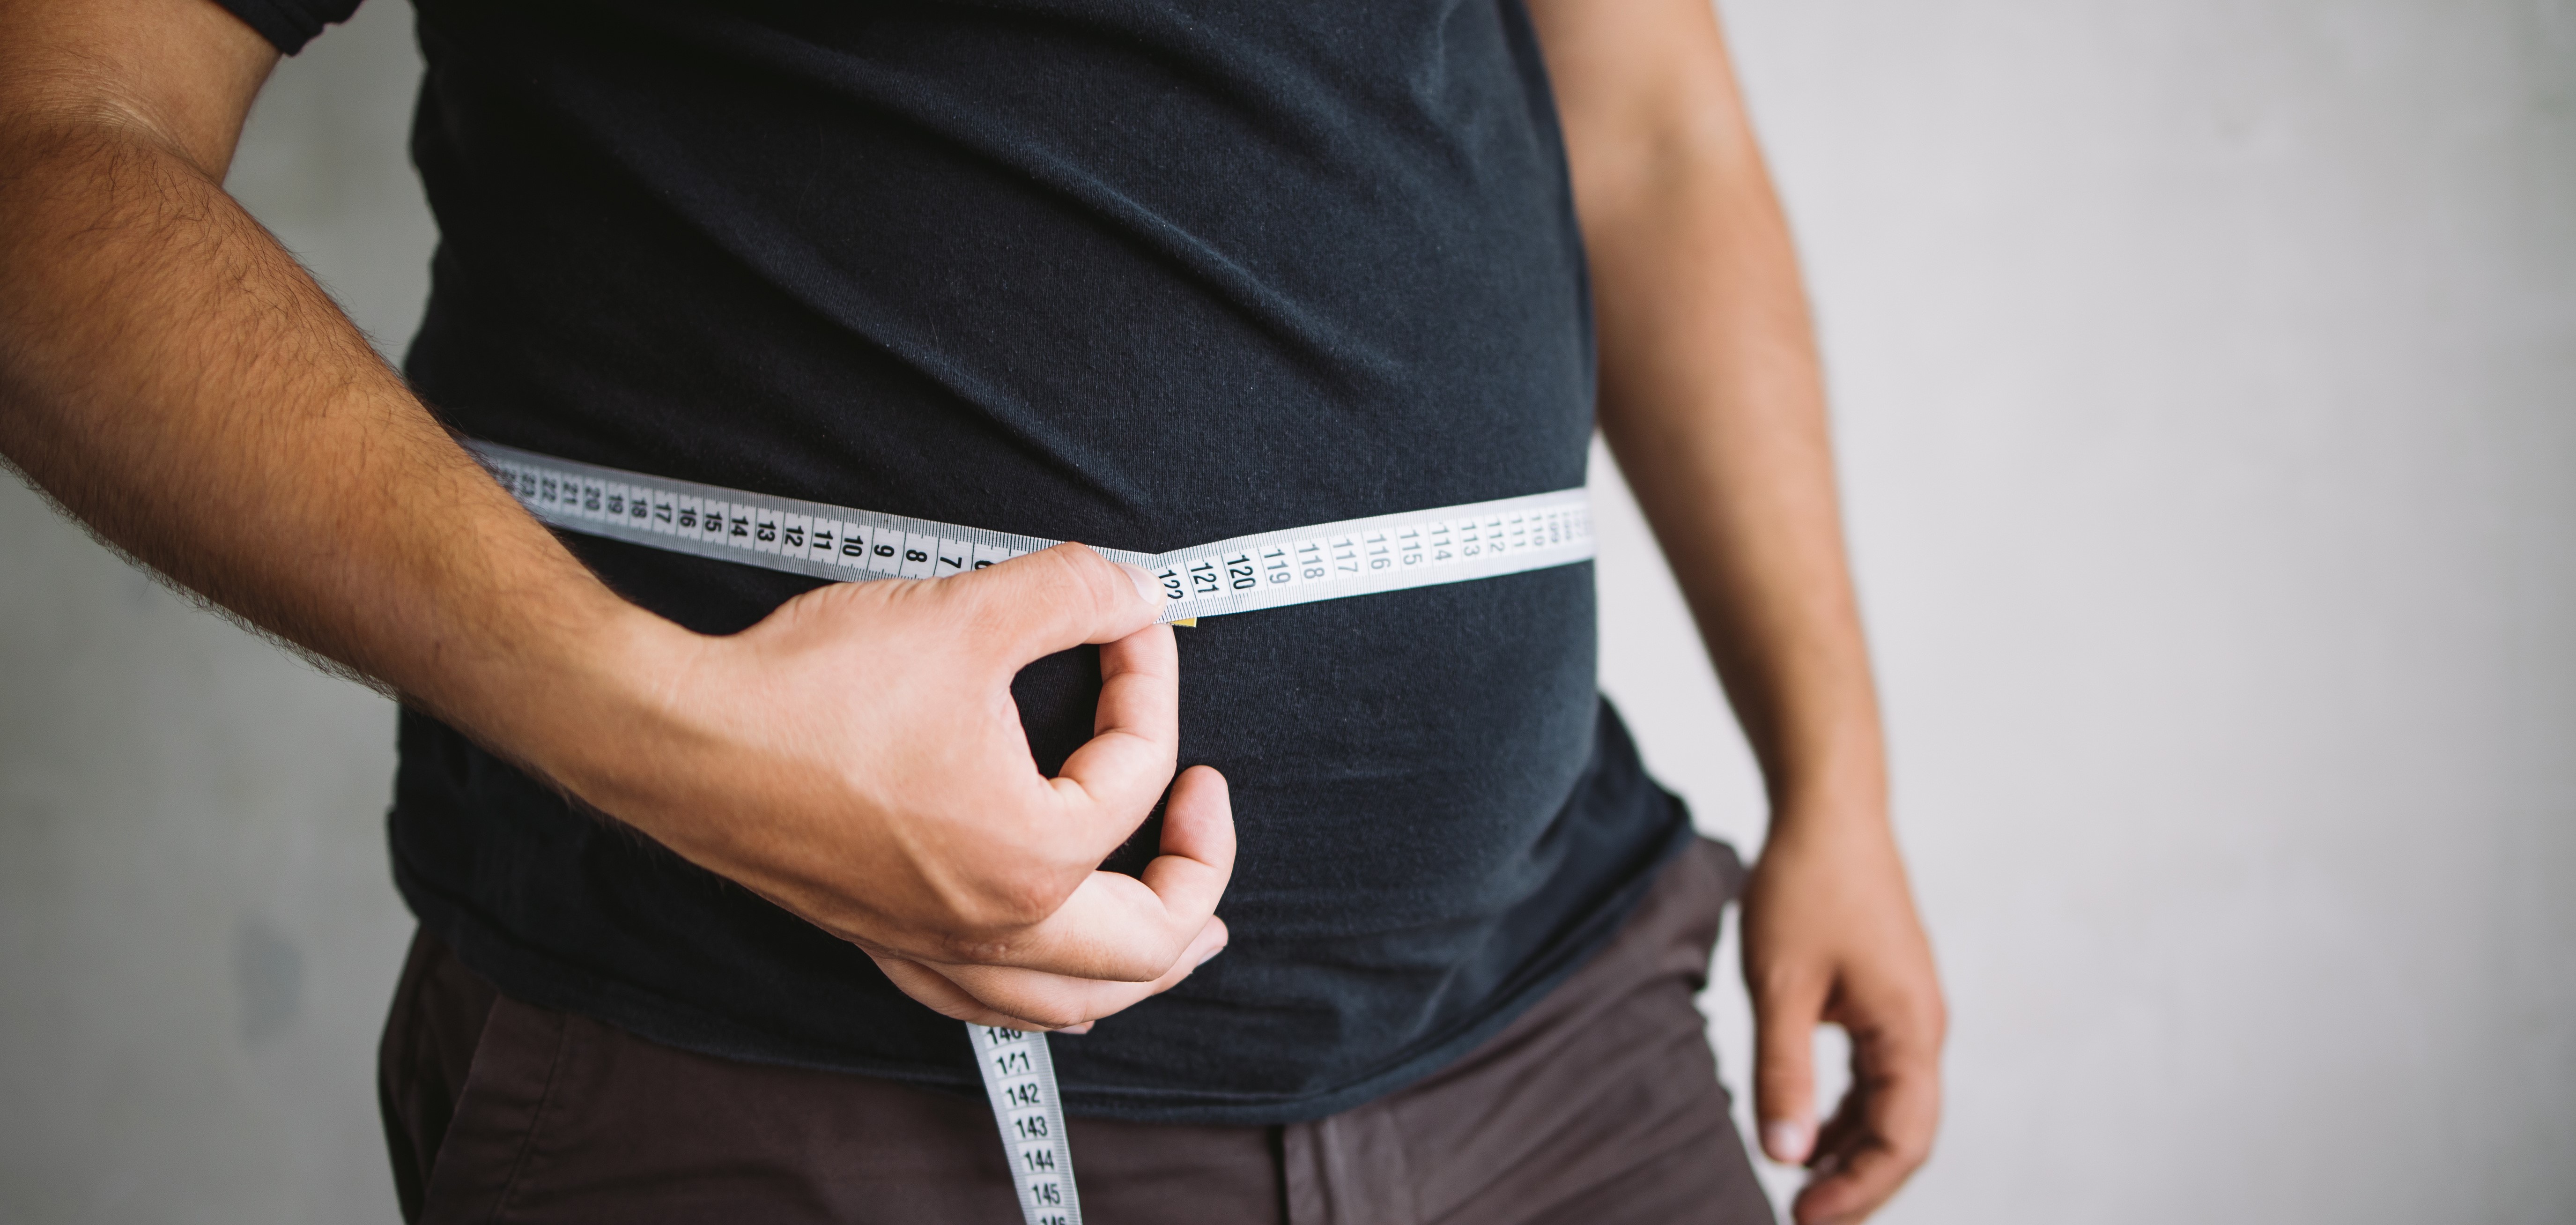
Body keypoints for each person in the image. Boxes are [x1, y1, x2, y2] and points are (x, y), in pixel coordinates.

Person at [0, 0, 1945, 1220]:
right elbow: (49, 139)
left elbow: (1647, 111)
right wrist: (660, 730)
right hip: (783, 1087)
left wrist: (1834, 774)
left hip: (1565, 1028)